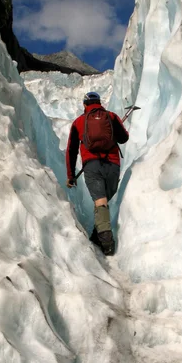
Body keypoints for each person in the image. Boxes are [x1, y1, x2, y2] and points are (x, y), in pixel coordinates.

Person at [66, 91, 129, 255]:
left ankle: (107, 244)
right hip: (113, 164)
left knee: (100, 202)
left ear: (84, 105)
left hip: (92, 166)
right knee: (105, 199)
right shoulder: (112, 117)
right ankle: (97, 235)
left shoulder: (79, 122)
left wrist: (71, 176)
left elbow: (71, 151)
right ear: (99, 103)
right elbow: (124, 138)